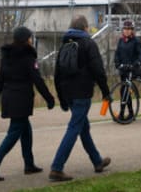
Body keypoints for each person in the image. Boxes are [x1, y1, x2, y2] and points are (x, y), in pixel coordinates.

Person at [0, 26, 55, 182]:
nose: (32, 40)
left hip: (9, 100)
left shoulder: (7, 57)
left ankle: (29, 165)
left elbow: (0, 81)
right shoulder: (28, 57)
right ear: (25, 39)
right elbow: (37, 80)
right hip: (21, 101)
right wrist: (49, 98)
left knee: (26, 131)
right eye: (30, 37)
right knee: (14, 133)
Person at [49, 15, 112, 182]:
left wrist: (62, 97)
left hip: (69, 94)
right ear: (85, 27)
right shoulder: (88, 44)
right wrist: (106, 92)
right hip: (82, 93)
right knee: (74, 128)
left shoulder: (64, 45)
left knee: (83, 128)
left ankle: (97, 161)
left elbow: (57, 74)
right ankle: (57, 167)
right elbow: (98, 70)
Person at [114, 20, 141, 121]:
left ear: (132, 30)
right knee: (124, 90)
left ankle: (122, 114)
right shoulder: (121, 41)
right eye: (125, 29)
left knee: (125, 91)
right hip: (123, 70)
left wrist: (136, 63)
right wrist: (117, 63)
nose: (127, 31)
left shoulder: (136, 41)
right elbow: (117, 54)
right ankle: (131, 113)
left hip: (132, 70)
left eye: (129, 29)